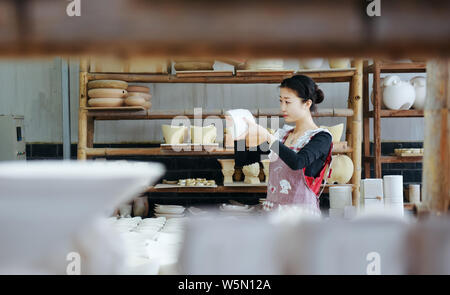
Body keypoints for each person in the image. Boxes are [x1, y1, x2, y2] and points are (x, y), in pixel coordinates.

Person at [233, 75, 333, 214]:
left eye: (287, 102)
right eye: (281, 101)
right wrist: (240, 135)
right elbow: (243, 160)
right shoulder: (282, 136)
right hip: (273, 215)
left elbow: (297, 162)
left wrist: (268, 137)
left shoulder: (321, 138)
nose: (282, 108)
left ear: (307, 104)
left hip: (301, 219)